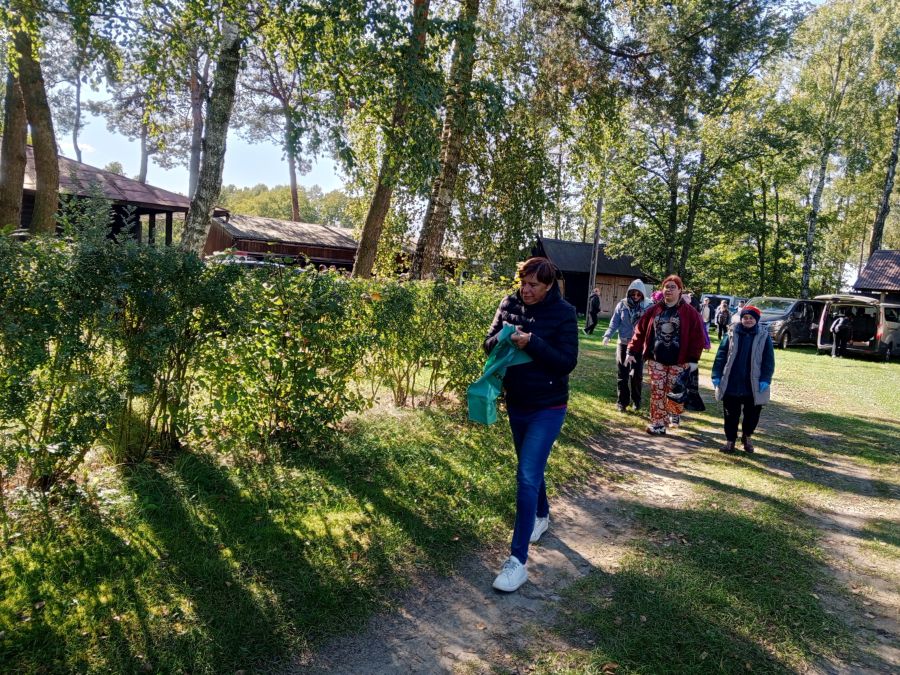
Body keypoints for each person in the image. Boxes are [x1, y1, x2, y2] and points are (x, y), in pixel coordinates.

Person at [483, 257, 578, 592]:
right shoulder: (509, 303)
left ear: (548, 285)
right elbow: (487, 344)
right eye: (523, 283)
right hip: (517, 403)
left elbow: (566, 362)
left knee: (525, 475)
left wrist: (532, 342)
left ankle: (517, 562)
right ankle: (541, 515)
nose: (526, 290)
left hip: (549, 406)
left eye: (533, 285)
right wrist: (503, 337)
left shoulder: (564, 313)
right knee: (530, 467)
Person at [625, 275, 705, 435]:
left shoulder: (690, 313)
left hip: (679, 361)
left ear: (680, 290)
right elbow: (640, 331)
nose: (669, 290)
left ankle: (673, 413)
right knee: (657, 391)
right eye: (666, 287)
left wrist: (693, 360)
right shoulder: (654, 310)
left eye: (673, 287)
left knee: (673, 392)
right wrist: (631, 350)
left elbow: (698, 337)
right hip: (656, 360)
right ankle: (658, 424)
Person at [711, 305, 775, 454]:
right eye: (745, 317)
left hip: (753, 383)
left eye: (751, 318)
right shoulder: (731, 333)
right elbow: (721, 355)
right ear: (741, 319)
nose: (748, 320)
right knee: (730, 414)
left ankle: (747, 437)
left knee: (752, 415)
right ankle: (730, 441)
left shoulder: (763, 336)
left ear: (756, 320)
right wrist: (716, 375)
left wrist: (765, 378)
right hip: (732, 381)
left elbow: (768, 360)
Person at [602, 279, 648, 412]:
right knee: (622, 374)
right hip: (623, 343)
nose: (636, 296)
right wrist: (607, 335)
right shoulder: (622, 304)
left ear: (643, 294)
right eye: (633, 294)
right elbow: (614, 322)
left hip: (639, 345)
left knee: (636, 375)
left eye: (638, 294)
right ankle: (622, 402)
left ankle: (636, 400)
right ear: (629, 293)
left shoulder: (648, 306)